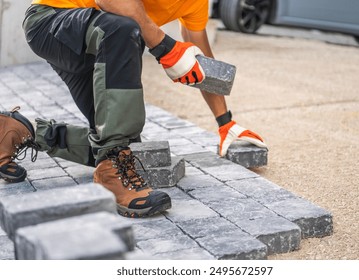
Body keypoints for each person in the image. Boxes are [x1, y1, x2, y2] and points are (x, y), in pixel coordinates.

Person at [0, 0, 267, 218]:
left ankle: (21, 130)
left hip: (96, 40)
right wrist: (166, 48)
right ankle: (111, 173)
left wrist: (225, 123)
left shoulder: (197, 4)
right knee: (124, 29)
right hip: (52, 21)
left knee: (122, 147)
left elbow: (203, 64)